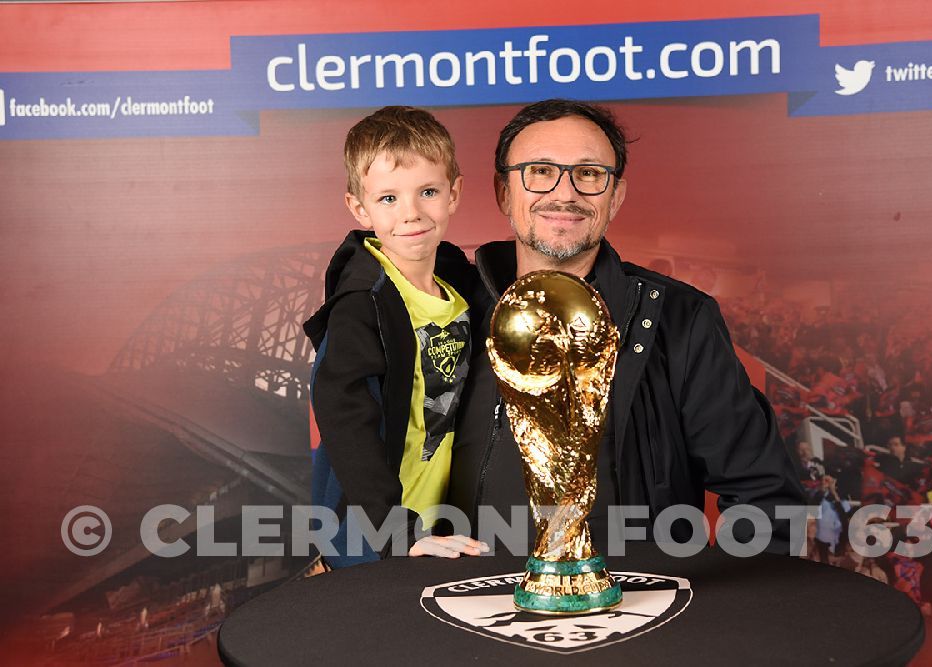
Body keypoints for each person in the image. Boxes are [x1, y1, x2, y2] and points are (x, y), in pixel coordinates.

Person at [447, 99, 805, 554]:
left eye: (590, 173)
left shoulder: (679, 319)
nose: (565, 193)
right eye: (540, 171)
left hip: (636, 614)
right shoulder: (449, 310)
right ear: (503, 191)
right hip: (463, 606)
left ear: (615, 196)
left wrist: (711, 617)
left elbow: (764, 496)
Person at [304, 106, 487, 566]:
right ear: (358, 207)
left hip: (444, 530)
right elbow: (345, 421)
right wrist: (395, 531)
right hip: (378, 537)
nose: (411, 214)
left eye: (428, 191)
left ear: (454, 192)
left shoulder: (465, 292)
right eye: (388, 199)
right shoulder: (362, 305)